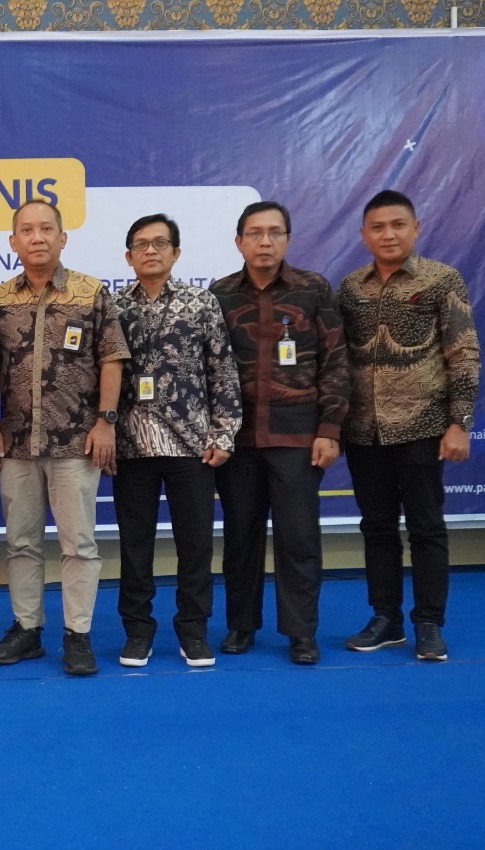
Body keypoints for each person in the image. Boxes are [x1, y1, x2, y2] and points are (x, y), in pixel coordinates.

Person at [0, 199, 128, 677]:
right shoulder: (0, 299)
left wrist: (106, 421)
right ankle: (27, 629)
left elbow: (112, 358)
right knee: (20, 542)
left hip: (76, 441)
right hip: (17, 441)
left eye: (46, 229)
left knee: (78, 544)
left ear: (62, 238)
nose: (37, 237)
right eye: (27, 230)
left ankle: (77, 634)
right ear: (13, 241)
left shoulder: (91, 292)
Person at [336, 189, 480, 662]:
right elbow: (336, 360)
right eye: (377, 227)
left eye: (398, 225)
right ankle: (386, 618)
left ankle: (429, 623)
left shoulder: (441, 280)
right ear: (364, 235)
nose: (388, 234)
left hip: (423, 426)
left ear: (415, 228)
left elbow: (463, 353)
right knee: (376, 527)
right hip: (364, 431)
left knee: (426, 527)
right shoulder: (350, 288)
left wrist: (459, 422)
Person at [209, 201, 349, 666]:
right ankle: (240, 625)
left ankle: (301, 631)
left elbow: (335, 362)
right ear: (239, 242)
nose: (264, 241)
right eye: (254, 233)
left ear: (287, 239)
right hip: (239, 440)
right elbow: (206, 369)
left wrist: (329, 428)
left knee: (299, 540)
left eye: (274, 232)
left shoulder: (313, 289)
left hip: (298, 437)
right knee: (240, 538)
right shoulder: (220, 294)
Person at [111, 214, 241, 669]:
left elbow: (222, 371)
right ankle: (138, 631)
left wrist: (224, 433)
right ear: (128, 256)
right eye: (140, 244)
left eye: (160, 243)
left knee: (196, 544)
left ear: (176, 252)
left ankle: (193, 630)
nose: (150, 250)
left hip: (192, 446)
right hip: (131, 447)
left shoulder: (200, 303)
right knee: (135, 546)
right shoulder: (114, 307)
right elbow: (99, 376)